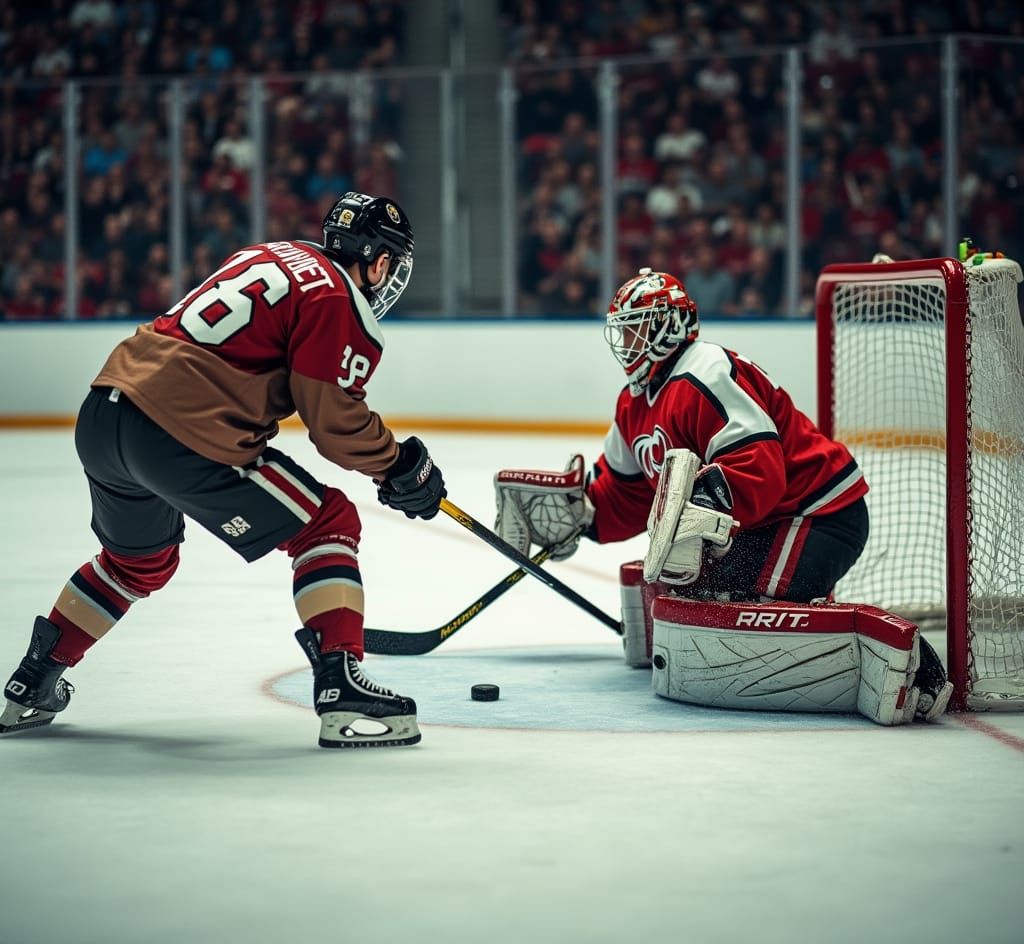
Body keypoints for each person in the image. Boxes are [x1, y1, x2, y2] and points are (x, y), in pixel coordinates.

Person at [1, 193, 444, 749]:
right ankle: (341, 687)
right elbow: (333, 422)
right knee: (327, 522)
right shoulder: (337, 297)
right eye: (390, 263)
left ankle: (30, 683)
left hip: (105, 409)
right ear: (378, 260)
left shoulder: (273, 253)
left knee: (137, 562)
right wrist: (401, 464)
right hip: (180, 430)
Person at [493, 267, 952, 725]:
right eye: (623, 330)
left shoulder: (705, 371)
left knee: (752, 611)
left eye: (636, 328)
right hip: (765, 522)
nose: (626, 342)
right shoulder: (633, 403)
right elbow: (624, 494)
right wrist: (583, 514)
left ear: (667, 327)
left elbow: (759, 469)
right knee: (698, 595)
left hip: (818, 511)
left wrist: (706, 511)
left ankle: (904, 658)